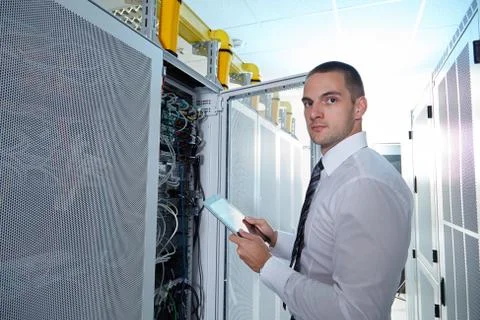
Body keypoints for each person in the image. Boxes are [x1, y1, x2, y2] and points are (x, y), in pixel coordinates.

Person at [229, 61, 413, 319]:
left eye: (330, 100)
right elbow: (328, 252)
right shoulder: (333, 172)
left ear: (359, 107)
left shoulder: (366, 185)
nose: (314, 113)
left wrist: (267, 265)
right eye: (308, 103)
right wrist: (274, 239)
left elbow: (357, 314)